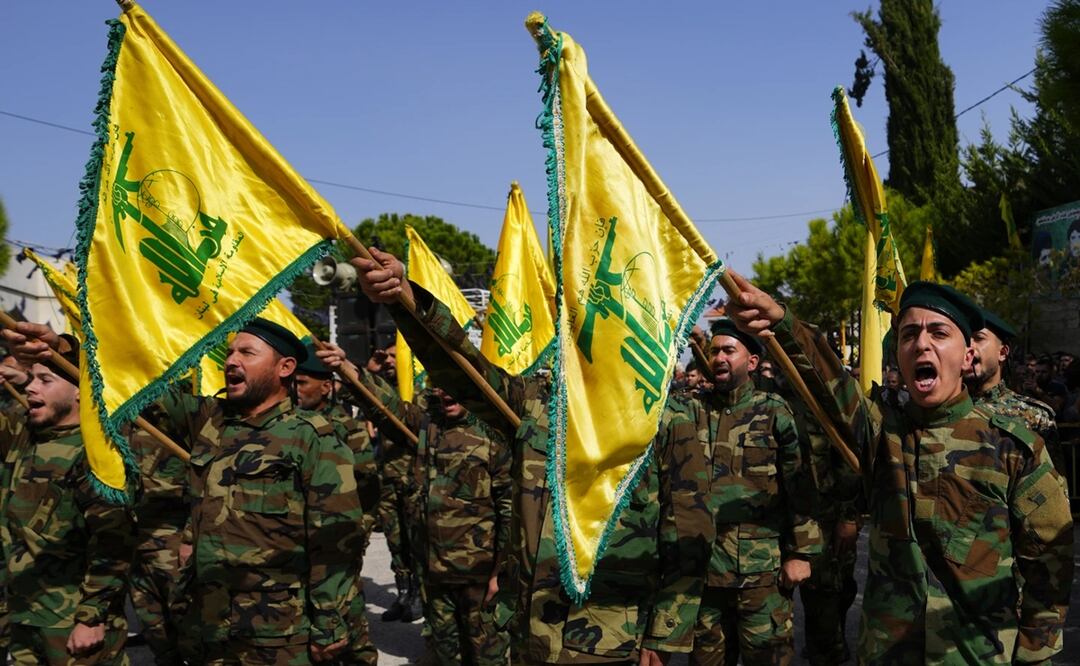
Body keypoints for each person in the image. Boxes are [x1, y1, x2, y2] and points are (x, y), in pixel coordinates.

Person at [351, 247, 704, 664]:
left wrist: (663, 638)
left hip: (610, 637)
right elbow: (463, 369)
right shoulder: (537, 402)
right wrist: (406, 299)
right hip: (530, 630)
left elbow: (688, 530)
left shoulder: (663, 416)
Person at [727, 276, 1073, 663]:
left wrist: (1033, 656)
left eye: (939, 333)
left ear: (967, 357)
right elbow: (828, 382)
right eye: (909, 335)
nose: (922, 343)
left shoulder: (1014, 447)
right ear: (899, 358)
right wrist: (782, 321)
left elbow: (1048, 566)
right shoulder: (880, 432)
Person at [643, 319, 820, 665]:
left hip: (761, 575)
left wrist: (802, 552)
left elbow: (800, 484)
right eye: (714, 351)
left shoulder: (774, 412)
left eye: (729, 350)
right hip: (704, 575)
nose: (719, 358)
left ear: (752, 362)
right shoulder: (691, 409)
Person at [324, 346, 513, 665]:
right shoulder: (428, 427)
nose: (444, 391)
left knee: (487, 654)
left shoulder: (492, 433)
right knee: (444, 653)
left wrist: (501, 573)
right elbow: (386, 407)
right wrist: (347, 367)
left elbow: (510, 511)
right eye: (439, 383)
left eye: (453, 382)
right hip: (435, 574)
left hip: (479, 578)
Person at [0, 333, 135, 665]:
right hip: (24, 615)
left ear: (79, 390)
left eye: (45, 380)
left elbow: (112, 543)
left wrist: (91, 617)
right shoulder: (23, 432)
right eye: (31, 379)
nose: (31, 388)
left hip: (72, 623)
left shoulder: (96, 453)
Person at [294, 344, 380, 665]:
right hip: (301, 546)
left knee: (348, 620)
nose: (295, 391)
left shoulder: (346, 428)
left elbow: (368, 488)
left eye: (302, 383)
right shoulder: (289, 425)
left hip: (339, 543)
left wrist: (359, 534)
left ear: (326, 386)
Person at [964, 308, 1063, 473]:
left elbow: (1055, 488)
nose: (969, 347)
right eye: (964, 340)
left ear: (1002, 353)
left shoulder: (1035, 417)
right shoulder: (939, 411)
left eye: (979, 338)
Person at [367, 345, 423, 623]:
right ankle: (402, 596)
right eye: (385, 357)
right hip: (388, 476)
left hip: (414, 478)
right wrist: (370, 371)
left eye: (393, 356)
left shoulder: (420, 395)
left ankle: (418, 595)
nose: (388, 361)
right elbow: (366, 398)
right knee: (395, 539)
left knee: (416, 540)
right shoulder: (387, 392)